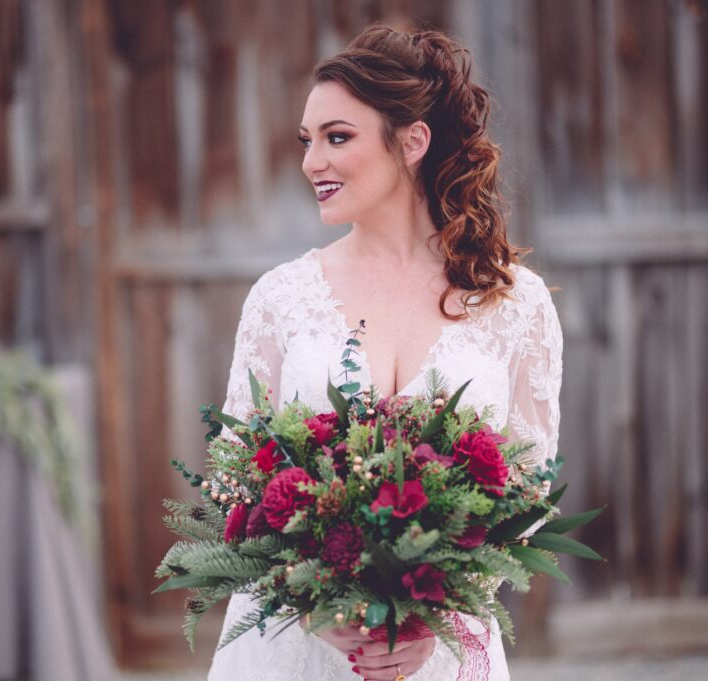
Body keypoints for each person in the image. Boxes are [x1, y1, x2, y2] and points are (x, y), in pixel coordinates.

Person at [207, 24, 562, 681]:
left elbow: (526, 498)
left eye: (337, 136)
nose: (313, 161)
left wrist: (436, 612)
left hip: (437, 653)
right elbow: (238, 488)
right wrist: (312, 601)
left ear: (412, 142)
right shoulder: (279, 301)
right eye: (307, 141)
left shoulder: (517, 306)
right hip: (294, 647)